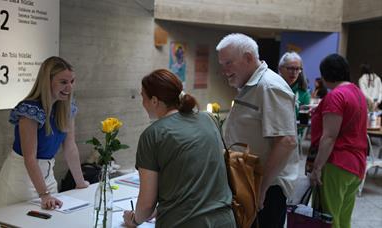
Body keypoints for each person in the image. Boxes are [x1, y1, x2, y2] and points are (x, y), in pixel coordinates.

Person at [123, 69, 235, 227]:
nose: (142, 103)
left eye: (143, 97)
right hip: (224, 220)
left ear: (154, 101)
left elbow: (147, 203)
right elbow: (195, 173)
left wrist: (134, 219)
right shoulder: (208, 119)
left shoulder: (153, 134)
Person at [216, 33, 299, 228]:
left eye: (228, 63)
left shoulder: (269, 86)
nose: (224, 70)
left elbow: (286, 141)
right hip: (248, 182)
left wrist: (262, 188)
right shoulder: (250, 85)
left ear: (248, 58)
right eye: (222, 64)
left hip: (265, 190)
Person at [0, 56, 89, 210]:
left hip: (47, 176)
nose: (69, 88)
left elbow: (70, 148)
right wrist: (44, 194)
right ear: (47, 81)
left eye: (72, 81)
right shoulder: (30, 110)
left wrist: (80, 183)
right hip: (21, 178)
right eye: (63, 82)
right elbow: (30, 157)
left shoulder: (67, 108)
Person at [309, 54, 368, 228]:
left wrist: (317, 168)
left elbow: (329, 136)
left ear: (325, 75)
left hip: (336, 164)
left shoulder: (336, 96)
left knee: (328, 218)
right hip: (355, 166)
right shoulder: (357, 92)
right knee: (343, 219)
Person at [278, 51, 311, 118]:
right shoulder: (272, 88)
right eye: (290, 68)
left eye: (297, 69)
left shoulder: (304, 93)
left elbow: (303, 120)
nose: (294, 72)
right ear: (280, 69)